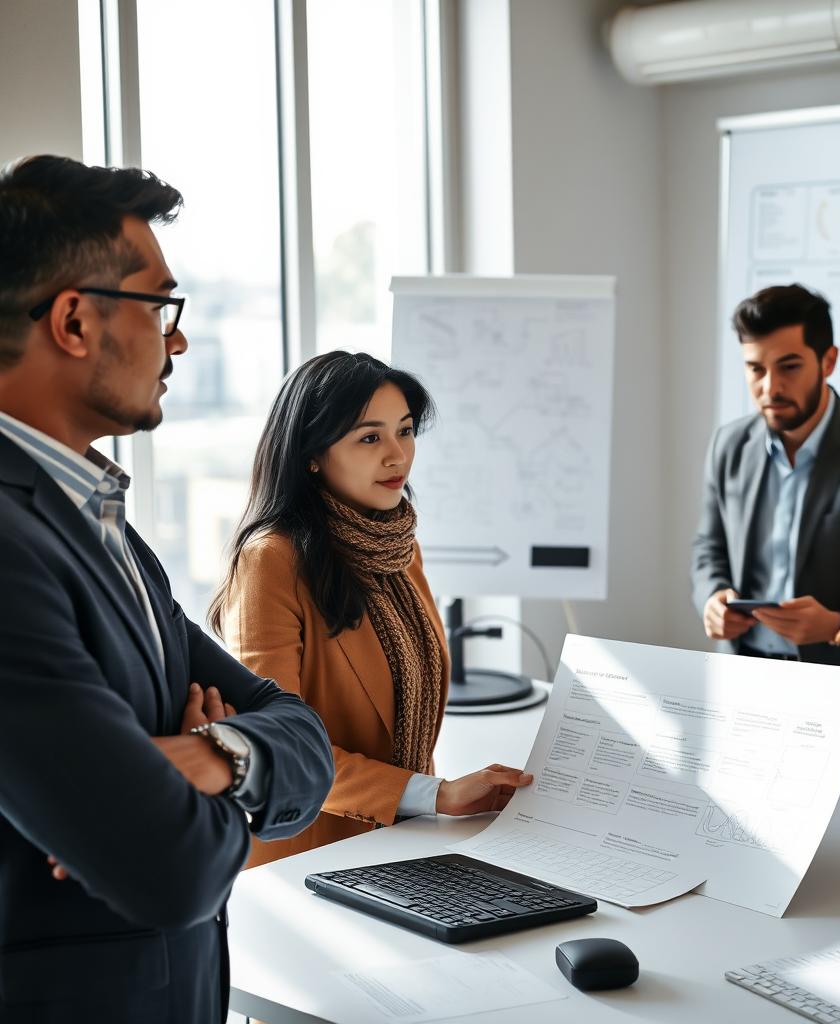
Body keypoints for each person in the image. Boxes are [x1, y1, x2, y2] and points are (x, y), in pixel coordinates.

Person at [0, 155, 334, 1024]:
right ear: (75, 320)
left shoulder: (97, 518)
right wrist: (221, 783)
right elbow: (166, 868)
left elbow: (301, 733)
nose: (176, 341)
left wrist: (217, 755)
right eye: (162, 307)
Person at [209, 350, 533, 868]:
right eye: (369, 437)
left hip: (407, 841)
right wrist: (435, 793)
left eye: (404, 432)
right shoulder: (271, 558)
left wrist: (437, 798)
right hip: (310, 855)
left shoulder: (399, 547)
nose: (397, 456)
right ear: (312, 454)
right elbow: (276, 746)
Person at [692, 284, 840, 756]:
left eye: (788, 366)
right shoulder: (728, 446)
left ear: (828, 361)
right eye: (755, 369)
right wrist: (712, 597)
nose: (769, 388)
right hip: (744, 697)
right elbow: (708, 547)